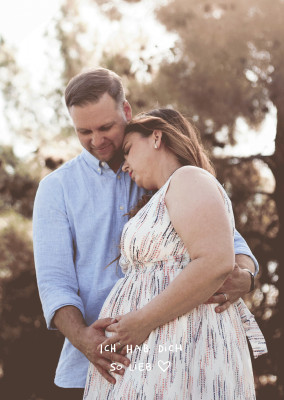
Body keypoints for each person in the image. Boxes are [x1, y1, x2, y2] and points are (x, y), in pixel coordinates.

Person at [33, 68, 259, 399]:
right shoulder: (57, 189)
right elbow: (55, 284)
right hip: (93, 364)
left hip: (170, 355)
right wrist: (85, 340)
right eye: (84, 131)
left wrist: (247, 276)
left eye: (106, 127)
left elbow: (228, 244)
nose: (97, 140)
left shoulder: (161, 171)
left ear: (126, 112)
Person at [83, 110, 267, 399]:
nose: (125, 165)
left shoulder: (189, 179)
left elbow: (216, 260)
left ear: (157, 137)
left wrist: (142, 320)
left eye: (129, 150)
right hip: (155, 343)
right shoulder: (167, 194)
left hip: (183, 340)